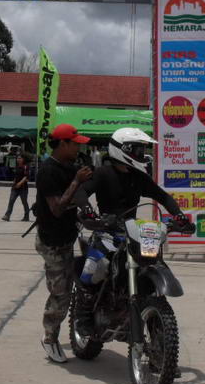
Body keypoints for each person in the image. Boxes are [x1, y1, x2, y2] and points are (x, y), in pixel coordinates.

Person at [72, 128, 192, 335]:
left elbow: (163, 197)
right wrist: (90, 212)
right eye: (137, 149)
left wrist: (179, 217)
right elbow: (81, 192)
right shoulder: (102, 173)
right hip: (106, 231)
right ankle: (83, 317)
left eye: (141, 150)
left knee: (152, 261)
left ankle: (149, 309)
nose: (141, 154)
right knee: (96, 266)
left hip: (132, 231)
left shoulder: (139, 176)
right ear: (122, 149)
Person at [34, 124, 92, 363]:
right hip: (52, 241)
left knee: (78, 284)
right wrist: (77, 181)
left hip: (67, 238)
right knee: (60, 293)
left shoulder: (70, 167)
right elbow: (57, 208)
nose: (79, 147)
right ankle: (50, 338)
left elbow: (80, 198)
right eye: (75, 143)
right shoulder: (48, 171)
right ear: (62, 144)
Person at [1, 154, 30, 222]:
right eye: (17, 158)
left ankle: (26, 216)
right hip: (15, 187)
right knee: (11, 201)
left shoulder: (25, 166)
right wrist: (14, 183)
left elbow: (26, 177)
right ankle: (7, 215)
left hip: (23, 188)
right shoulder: (16, 167)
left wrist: (20, 183)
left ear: (23, 159)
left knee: (24, 202)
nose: (18, 159)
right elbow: (16, 176)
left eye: (20, 158)